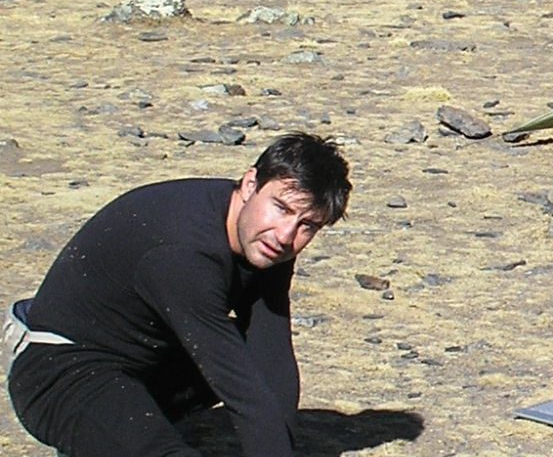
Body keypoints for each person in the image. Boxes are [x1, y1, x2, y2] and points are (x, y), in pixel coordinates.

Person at [6, 133, 352, 457]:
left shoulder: (264, 238)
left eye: (308, 225)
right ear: (250, 184)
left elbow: (270, 353)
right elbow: (236, 382)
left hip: (142, 365)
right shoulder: (183, 251)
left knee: (242, 350)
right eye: (282, 208)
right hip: (60, 374)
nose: (286, 234)